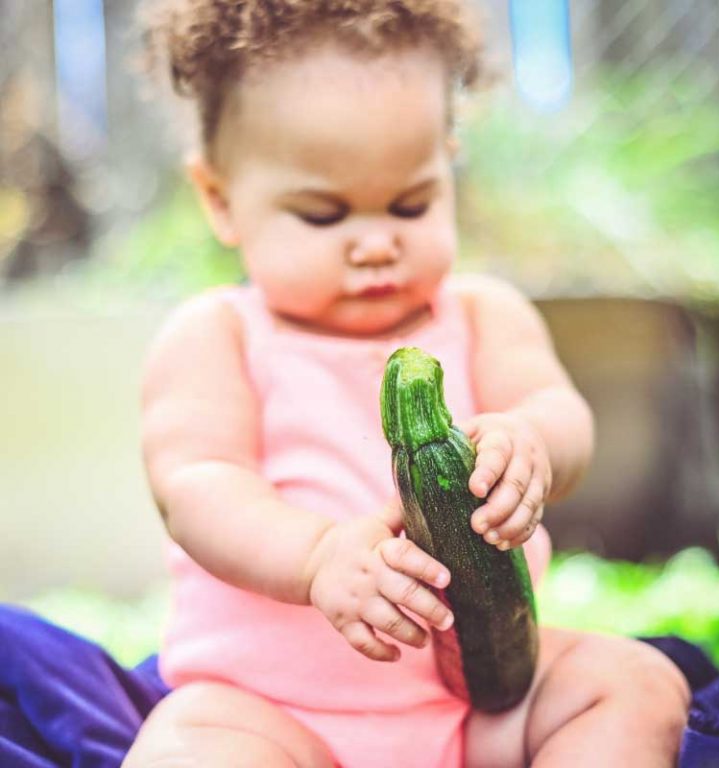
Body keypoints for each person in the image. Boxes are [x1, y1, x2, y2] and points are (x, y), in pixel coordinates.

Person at [125, 0, 690, 765]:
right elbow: (195, 486)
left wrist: (533, 443)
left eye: (411, 202)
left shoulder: (485, 316)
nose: (377, 244)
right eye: (323, 216)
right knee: (189, 749)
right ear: (221, 199)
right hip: (275, 716)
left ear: (447, 165)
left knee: (634, 683)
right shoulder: (217, 337)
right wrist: (317, 555)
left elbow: (560, 413)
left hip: (481, 707)